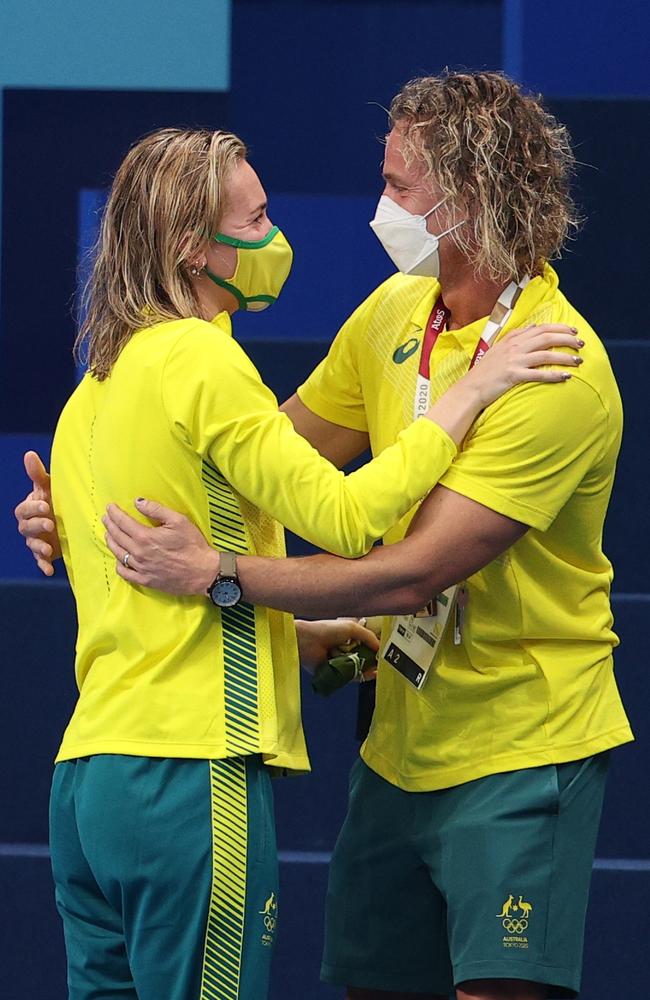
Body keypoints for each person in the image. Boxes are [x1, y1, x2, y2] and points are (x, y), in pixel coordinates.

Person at [88, 73, 632, 1000]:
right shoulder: (392, 314)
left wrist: (220, 574)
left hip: (520, 745)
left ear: (472, 200)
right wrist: (84, 506)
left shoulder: (554, 366)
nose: (381, 208)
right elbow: (263, 457)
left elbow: (407, 576)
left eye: (402, 188)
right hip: (396, 743)